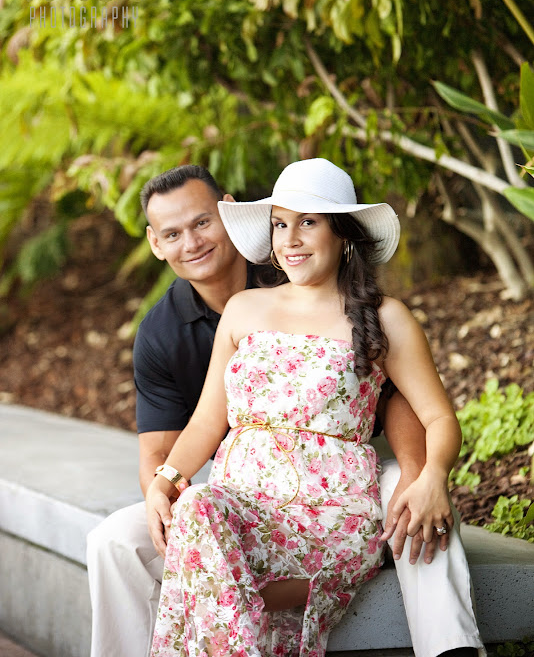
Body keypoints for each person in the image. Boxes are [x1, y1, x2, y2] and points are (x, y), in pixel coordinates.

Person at [86, 163, 484, 657]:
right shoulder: (245, 308)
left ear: (344, 234)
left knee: (198, 537)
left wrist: (431, 476)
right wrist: (166, 480)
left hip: (331, 513)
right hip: (248, 507)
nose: (291, 238)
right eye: (280, 224)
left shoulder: (385, 317)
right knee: (195, 506)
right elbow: (209, 419)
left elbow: (438, 417)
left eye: (309, 222)